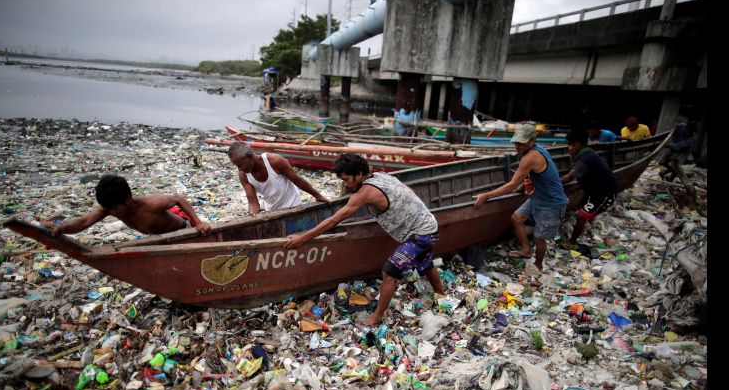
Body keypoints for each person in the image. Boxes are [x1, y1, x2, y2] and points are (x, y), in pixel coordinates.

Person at [284, 153, 444, 327]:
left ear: (359, 175)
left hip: (420, 234)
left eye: (346, 180)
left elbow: (334, 220)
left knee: (389, 271)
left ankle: (376, 318)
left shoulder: (365, 192)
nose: (345, 184)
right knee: (425, 262)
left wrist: (302, 238)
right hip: (429, 223)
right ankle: (441, 296)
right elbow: (409, 191)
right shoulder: (381, 176)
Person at [473, 124, 568, 271]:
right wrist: (524, 186)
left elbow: (511, 185)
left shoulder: (531, 157)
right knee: (516, 218)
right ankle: (525, 250)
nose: (517, 146)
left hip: (552, 202)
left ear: (532, 140)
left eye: (521, 143)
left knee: (539, 238)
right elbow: (534, 173)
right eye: (516, 142)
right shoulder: (535, 151)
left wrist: (486, 196)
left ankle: (538, 266)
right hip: (538, 197)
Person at [46, 174, 211, 236]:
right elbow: (84, 221)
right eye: (108, 208)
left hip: (181, 231)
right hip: (158, 238)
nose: (112, 212)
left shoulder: (149, 205)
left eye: (115, 208)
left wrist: (198, 223)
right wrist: (63, 228)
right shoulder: (109, 209)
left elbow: (179, 199)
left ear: (127, 199)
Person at [228, 142, 328, 216]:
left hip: (293, 206)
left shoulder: (275, 161)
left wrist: (317, 195)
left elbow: (298, 181)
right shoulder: (243, 175)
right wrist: (253, 215)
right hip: (271, 211)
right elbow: (253, 201)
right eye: (236, 166)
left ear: (249, 156)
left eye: (240, 165)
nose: (239, 169)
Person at [560, 129, 620, 245]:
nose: (570, 148)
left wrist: (550, 182)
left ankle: (571, 241)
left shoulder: (585, 158)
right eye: (568, 144)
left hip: (605, 193)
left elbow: (568, 178)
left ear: (582, 144)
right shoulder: (582, 154)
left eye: (573, 145)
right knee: (584, 212)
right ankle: (587, 229)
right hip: (592, 190)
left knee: (582, 216)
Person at [657, 121, 697, 194]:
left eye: (691, 132)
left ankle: (670, 182)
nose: (688, 133)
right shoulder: (681, 126)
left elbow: (680, 145)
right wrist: (674, 128)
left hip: (682, 151)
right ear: (686, 128)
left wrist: (667, 145)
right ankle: (669, 171)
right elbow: (672, 131)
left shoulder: (693, 139)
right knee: (661, 162)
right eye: (688, 130)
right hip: (672, 147)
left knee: (675, 163)